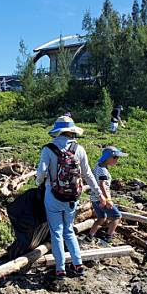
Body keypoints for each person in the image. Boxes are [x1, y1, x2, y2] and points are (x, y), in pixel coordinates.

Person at [36, 115, 105, 279]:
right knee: (69, 231)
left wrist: (39, 183)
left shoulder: (48, 149)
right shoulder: (79, 149)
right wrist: (99, 194)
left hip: (52, 196)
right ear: (71, 131)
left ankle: (60, 269)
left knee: (56, 232)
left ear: (57, 131)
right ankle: (78, 265)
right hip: (72, 197)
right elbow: (87, 174)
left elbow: (41, 172)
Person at [86, 146, 127, 244]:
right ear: (108, 157)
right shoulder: (103, 170)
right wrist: (108, 200)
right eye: (115, 158)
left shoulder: (98, 165)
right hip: (101, 199)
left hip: (94, 198)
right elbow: (102, 185)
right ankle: (108, 237)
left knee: (101, 218)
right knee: (117, 216)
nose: (117, 160)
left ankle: (89, 236)